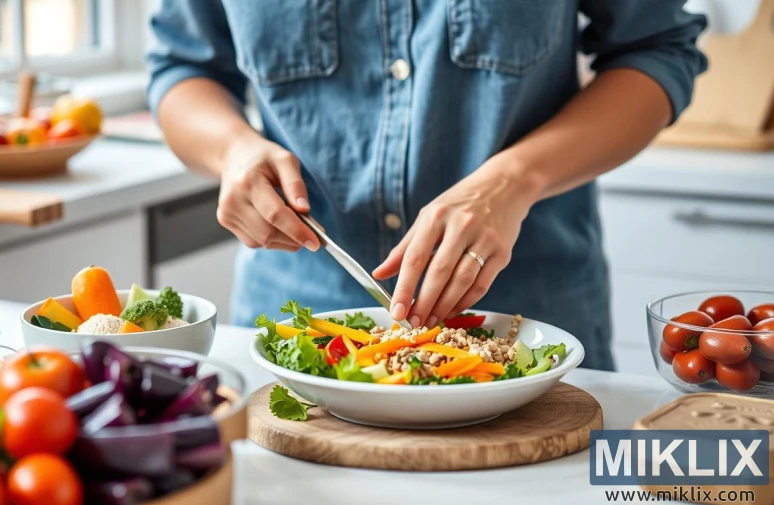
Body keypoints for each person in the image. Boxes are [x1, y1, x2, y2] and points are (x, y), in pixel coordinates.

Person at [147, 1, 707, 370]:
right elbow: (182, 68)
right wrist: (231, 149)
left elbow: (657, 48)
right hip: (296, 326)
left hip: (533, 322)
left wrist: (513, 179)